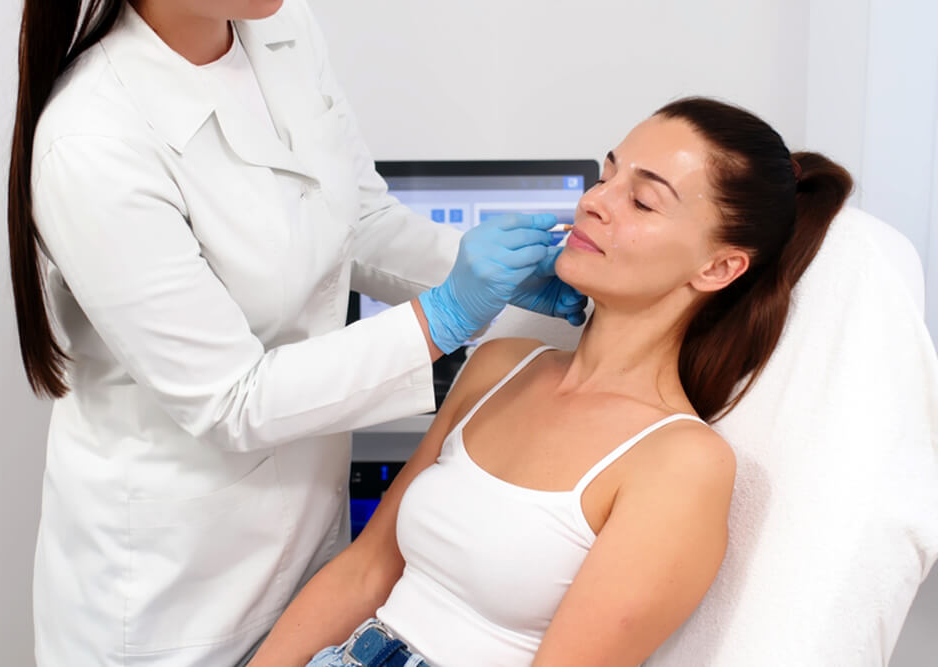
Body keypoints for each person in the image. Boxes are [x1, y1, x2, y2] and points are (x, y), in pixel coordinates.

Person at [6, 0, 586, 664]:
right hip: (175, 590)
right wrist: (445, 316)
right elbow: (230, 399)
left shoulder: (280, 26)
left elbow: (354, 223)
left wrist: (501, 288)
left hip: (313, 547)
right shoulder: (93, 139)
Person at [248, 97, 854, 666]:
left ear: (719, 266)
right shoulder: (501, 364)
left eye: (642, 202)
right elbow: (366, 569)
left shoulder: (679, 461)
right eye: (606, 174)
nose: (595, 201)